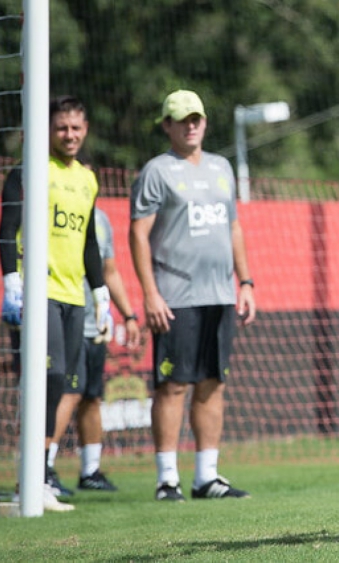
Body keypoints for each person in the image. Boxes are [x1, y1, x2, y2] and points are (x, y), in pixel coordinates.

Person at [129, 89, 257, 501]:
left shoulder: (222, 167)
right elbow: (138, 234)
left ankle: (207, 477)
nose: (191, 125)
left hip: (219, 295)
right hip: (175, 296)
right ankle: (168, 479)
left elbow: (233, 228)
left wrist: (247, 283)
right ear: (167, 125)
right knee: (173, 386)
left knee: (212, 384)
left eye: (196, 117)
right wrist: (150, 293)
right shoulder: (157, 171)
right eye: (182, 119)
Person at [0, 95, 111, 512]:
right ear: (48, 130)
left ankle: (39, 477)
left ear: (86, 131)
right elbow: (6, 228)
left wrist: (101, 293)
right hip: (37, 292)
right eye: (62, 127)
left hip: (71, 295)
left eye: (76, 128)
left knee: (62, 384)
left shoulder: (87, 178)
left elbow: (90, 242)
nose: (70, 135)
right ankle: (28, 479)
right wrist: (12, 280)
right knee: (46, 381)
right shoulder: (27, 172)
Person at [48, 206, 142, 494]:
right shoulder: (50, 206)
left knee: (91, 397)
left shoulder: (101, 219)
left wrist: (127, 314)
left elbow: (108, 270)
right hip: (66, 319)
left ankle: (90, 470)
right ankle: (43, 468)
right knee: (67, 393)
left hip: (96, 326)